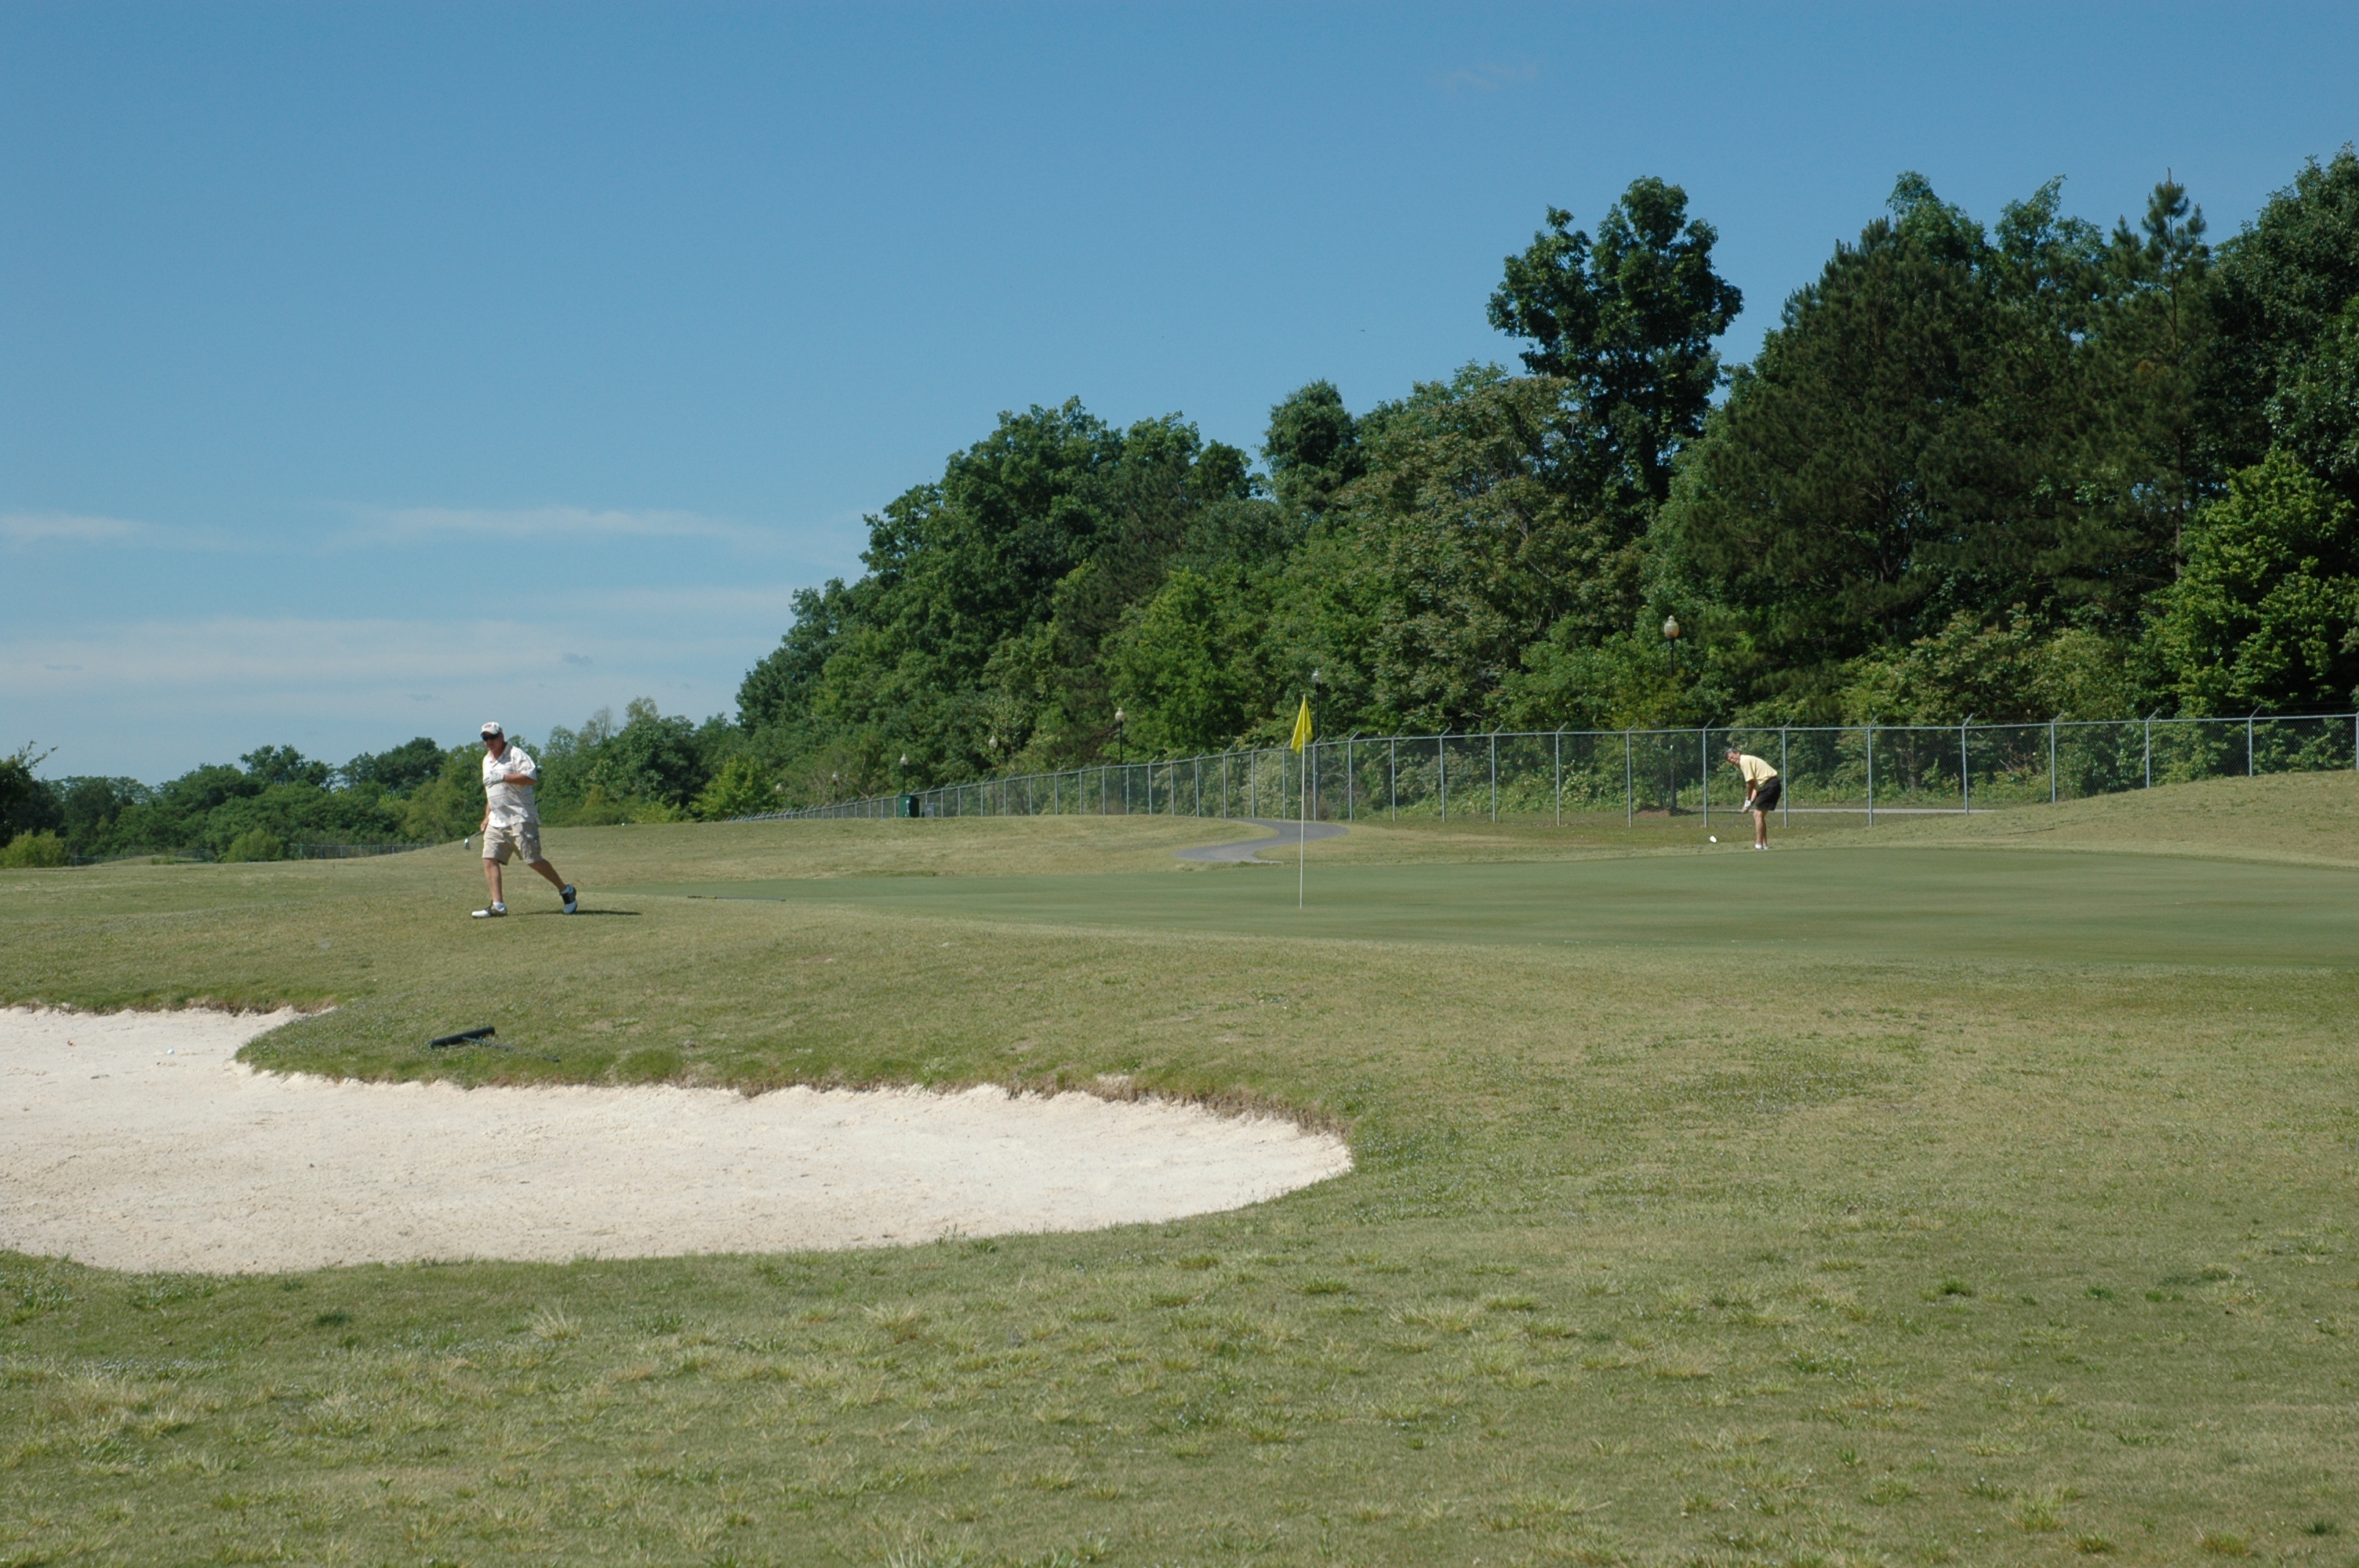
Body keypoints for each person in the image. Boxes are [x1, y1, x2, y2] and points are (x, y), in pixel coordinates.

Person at [472, 721, 576, 917]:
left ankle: (566, 891)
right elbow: (491, 792)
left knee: (533, 860)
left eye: (492, 737)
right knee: (489, 858)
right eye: (485, 738)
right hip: (497, 820)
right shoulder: (486, 761)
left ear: (501, 736)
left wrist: (504, 777)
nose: (489, 742)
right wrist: (487, 817)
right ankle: (498, 906)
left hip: (520, 816)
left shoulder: (516, 754)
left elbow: (531, 777)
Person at [1725, 747, 1783, 850]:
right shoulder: (1746, 761)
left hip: (1770, 784)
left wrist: (1748, 799)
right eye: (1730, 760)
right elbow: (1756, 787)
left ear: (1737, 753)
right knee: (1760, 815)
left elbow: (1750, 783)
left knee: (1757, 815)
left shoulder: (1744, 761)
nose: (1733, 761)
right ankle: (1764, 845)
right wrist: (1748, 803)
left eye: (1732, 757)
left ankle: (1758, 845)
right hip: (1769, 785)